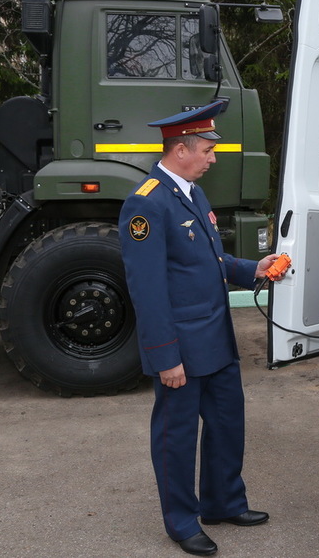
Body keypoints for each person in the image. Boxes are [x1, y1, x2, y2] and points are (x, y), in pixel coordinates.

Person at [118, 101, 283, 556]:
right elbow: (148, 289)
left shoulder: (193, 193)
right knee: (177, 438)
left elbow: (209, 261)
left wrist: (253, 269)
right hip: (182, 349)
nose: (213, 158)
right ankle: (181, 522)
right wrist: (165, 356)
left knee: (228, 424)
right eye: (207, 150)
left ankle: (223, 503)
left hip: (216, 340)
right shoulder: (146, 203)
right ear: (181, 150)